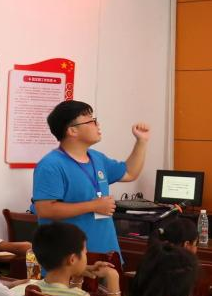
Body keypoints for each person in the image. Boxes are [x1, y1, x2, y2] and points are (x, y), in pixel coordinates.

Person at [32, 100, 150, 254]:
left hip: (107, 252)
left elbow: (129, 173)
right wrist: (93, 206)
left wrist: (141, 141)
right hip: (70, 257)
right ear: (72, 130)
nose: (97, 124)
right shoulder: (51, 165)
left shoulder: (97, 158)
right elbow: (45, 209)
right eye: (91, 121)